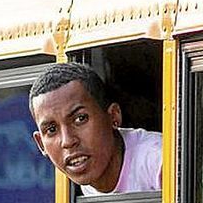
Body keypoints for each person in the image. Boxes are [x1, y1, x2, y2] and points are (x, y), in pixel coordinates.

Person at [29, 62, 161, 195]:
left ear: (113, 116)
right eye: (51, 130)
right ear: (41, 144)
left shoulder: (158, 162)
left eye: (80, 119)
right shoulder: (87, 177)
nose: (67, 141)